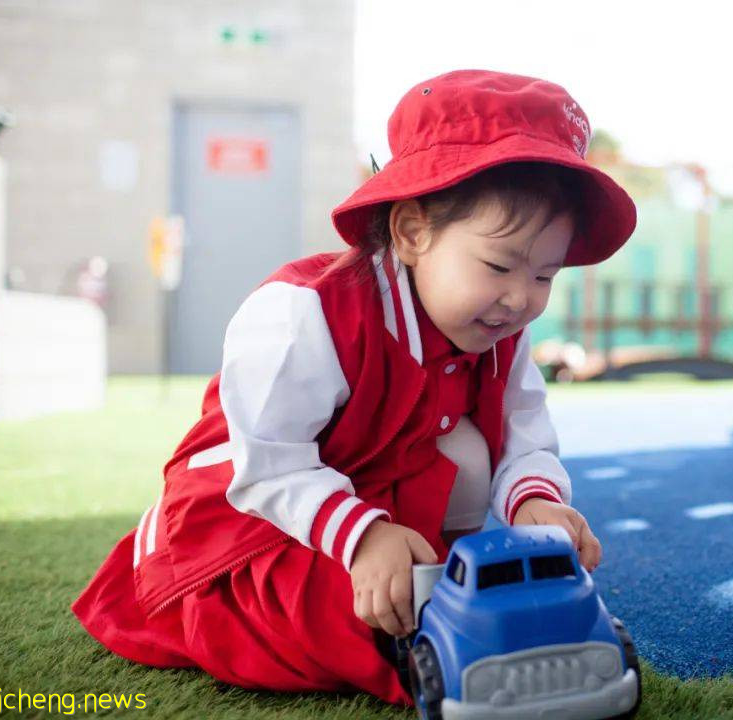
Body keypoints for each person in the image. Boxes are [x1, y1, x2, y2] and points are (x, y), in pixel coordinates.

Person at [71, 69, 637, 706]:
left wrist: (533, 501)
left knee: (473, 468)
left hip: (379, 485)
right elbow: (269, 467)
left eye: (545, 275)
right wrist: (364, 537)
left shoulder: (500, 324)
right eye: (499, 265)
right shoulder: (304, 313)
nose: (519, 298)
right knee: (352, 614)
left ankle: (459, 601)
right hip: (259, 517)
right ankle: (439, 649)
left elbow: (524, 438)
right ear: (412, 233)